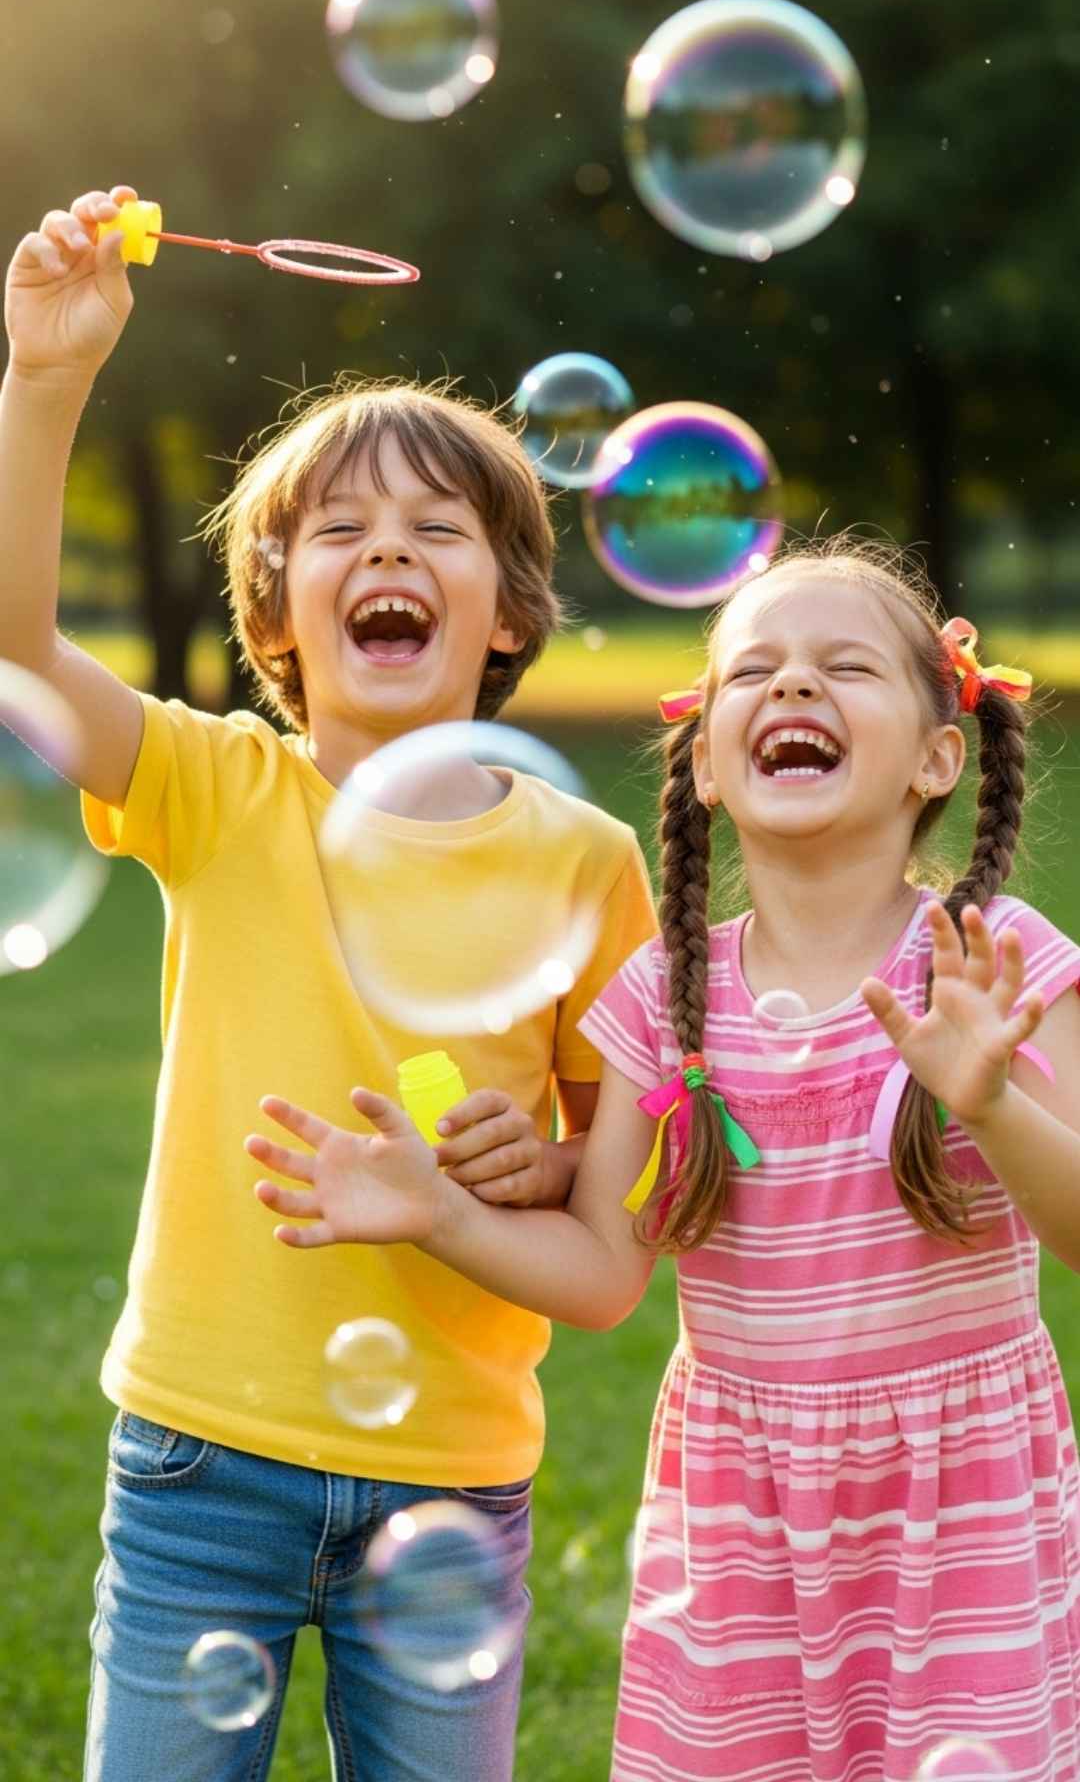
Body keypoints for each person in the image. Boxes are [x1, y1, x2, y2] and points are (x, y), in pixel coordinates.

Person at [0, 183, 657, 1782]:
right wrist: (44, 382)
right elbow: (15, 655)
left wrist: (542, 1167)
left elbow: (607, 1241)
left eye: (439, 532)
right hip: (198, 1459)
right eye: (345, 533)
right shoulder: (217, 788)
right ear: (280, 612)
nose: (390, 554)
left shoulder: (585, 868)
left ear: (508, 607)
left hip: (449, 1475)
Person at [247, 537, 1080, 1782]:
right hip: (738, 1508)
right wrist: (439, 1213)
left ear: (938, 756)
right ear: (704, 764)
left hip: (954, 1503)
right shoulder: (667, 997)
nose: (792, 690)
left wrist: (997, 1104)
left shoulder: (994, 960)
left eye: (843, 667)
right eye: (755, 672)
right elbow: (600, 1276)